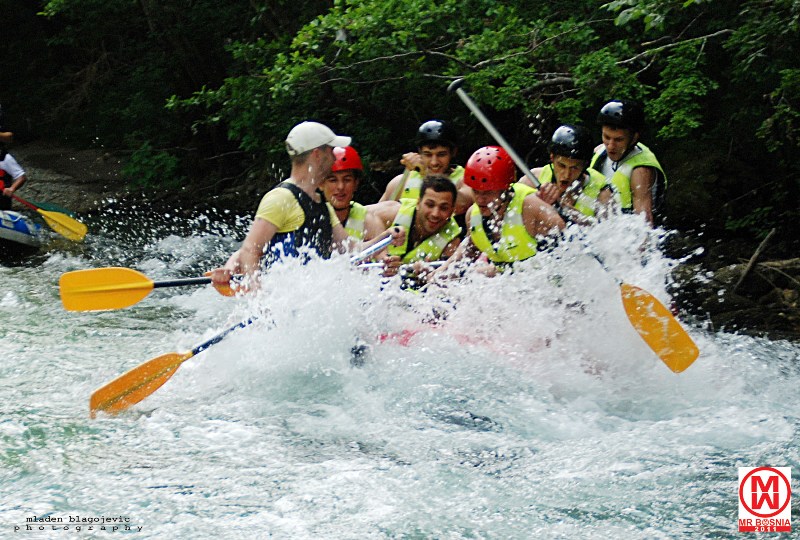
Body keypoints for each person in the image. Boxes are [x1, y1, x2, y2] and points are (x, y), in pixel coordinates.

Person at [210, 121, 358, 287]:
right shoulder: (280, 198)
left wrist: (386, 239)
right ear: (317, 154)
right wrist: (259, 297)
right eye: (331, 151)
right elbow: (250, 250)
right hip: (281, 304)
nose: (334, 158)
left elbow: (350, 249)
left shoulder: (320, 201)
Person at [435, 146, 566, 277]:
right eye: (476, 191)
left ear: (506, 188)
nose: (480, 199)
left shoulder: (532, 208)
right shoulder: (472, 216)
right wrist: (441, 271)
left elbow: (570, 251)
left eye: (488, 192)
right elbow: (469, 248)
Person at [589, 100, 667, 225]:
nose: (610, 146)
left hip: (626, 234)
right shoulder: (598, 151)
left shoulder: (641, 171)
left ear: (634, 138)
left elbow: (644, 223)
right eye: (607, 137)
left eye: (618, 140)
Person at [375, 175, 463, 284]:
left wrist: (428, 277)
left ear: (452, 210)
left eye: (443, 208)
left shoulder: (452, 241)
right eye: (430, 205)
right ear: (418, 203)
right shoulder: (390, 213)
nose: (435, 214)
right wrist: (381, 255)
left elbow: (448, 280)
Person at [518, 124, 612, 224]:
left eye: (574, 168)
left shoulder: (602, 194)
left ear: (585, 166)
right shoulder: (532, 180)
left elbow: (606, 235)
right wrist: (536, 201)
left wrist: (563, 207)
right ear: (552, 158)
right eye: (561, 165)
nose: (567, 174)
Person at [378, 120, 473, 216]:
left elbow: (461, 205)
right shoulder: (401, 181)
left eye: (441, 154)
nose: (434, 162)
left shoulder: (467, 180)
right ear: (419, 153)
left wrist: (426, 174)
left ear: (453, 152)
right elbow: (375, 216)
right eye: (428, 154)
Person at [323, 146, 396, 242]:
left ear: (356, 183)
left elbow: (383, 255)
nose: (340, 187)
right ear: (321, 183)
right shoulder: (311, 216)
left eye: (347, 180)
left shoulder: (369, 221)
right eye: (333, 180)